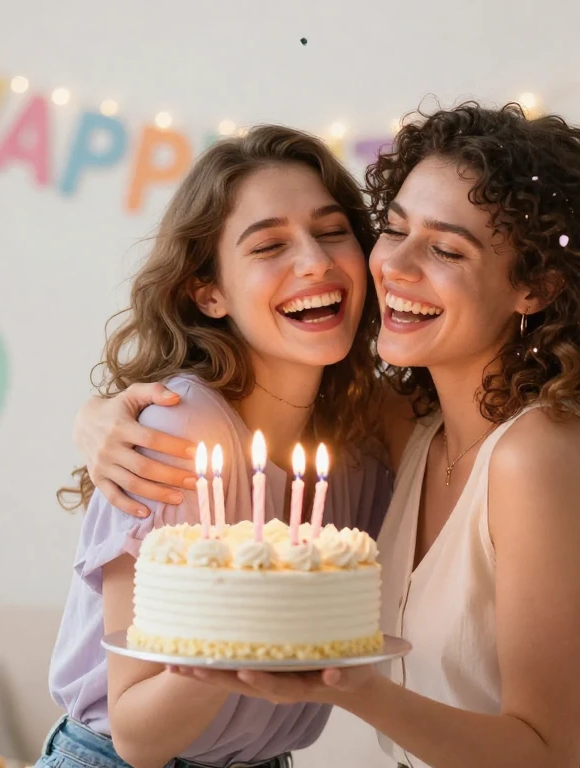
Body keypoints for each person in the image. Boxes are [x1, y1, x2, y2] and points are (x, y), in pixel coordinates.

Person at [72, 102, 580, 768]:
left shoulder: (539, 456)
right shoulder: (410, 433)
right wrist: (97, 415)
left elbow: (544, 751)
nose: (393, 265)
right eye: (393, 230)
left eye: (446, 248)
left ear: (536, 286)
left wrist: (352, 683)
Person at [43, 124, 394, 768]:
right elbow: (138, 733)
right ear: (209, 292)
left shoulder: (366, 445)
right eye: (269, 245)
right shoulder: (178, 430)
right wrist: (244, 623)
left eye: (332, 230)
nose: (315, 261)